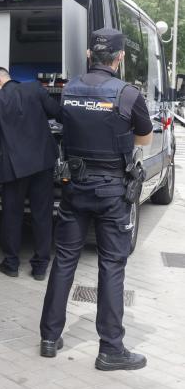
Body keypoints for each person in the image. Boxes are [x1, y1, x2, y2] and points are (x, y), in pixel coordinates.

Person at [39, 27, 152, 370]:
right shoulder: (128, 94)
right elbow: (145, 138)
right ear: (120, 57)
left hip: (75, 185)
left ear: (90, 55)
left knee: (65, 260)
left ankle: (49, 337)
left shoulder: (69, 89)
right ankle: (111, 349)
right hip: (112, 191)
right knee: (112, 265)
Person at [0, 67, 60, 280]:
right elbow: (58, 113)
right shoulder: (35, 89)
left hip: (14, 166)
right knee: (42, 215)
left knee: (12, 216)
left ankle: (11, 264)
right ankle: (40, 267)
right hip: (42, 162)